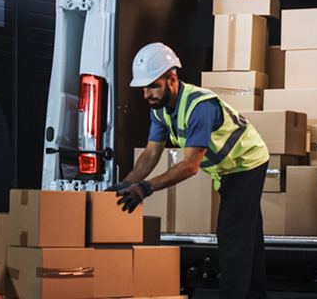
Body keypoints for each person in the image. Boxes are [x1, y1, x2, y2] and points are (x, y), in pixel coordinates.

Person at [113, 42, 271, 298]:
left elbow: (190, 166)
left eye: (152, 85)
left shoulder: (199, 107)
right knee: (248, 239)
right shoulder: (161, 109)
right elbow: (151, 153)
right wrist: (124, 184)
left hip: (246, 163)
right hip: (227, 170)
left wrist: (146, 188)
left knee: (231, 236)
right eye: (143, 87)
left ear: (171, 78)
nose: (146, 94)